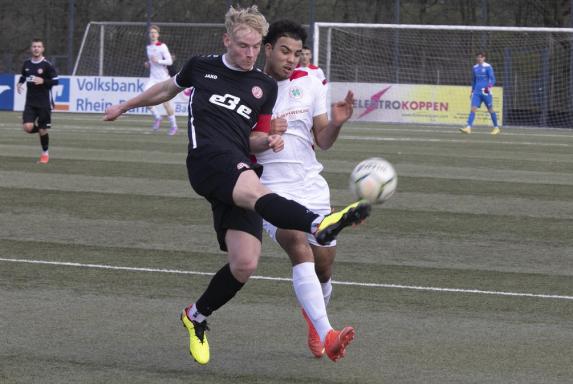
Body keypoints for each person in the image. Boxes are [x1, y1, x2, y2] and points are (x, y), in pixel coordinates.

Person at [103, 5, 370, 365]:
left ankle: (195, 316)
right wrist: (125, 105)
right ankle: (316, 228)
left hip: (246, 170)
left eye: (254, 47)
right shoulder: (201, 66)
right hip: (211, 163)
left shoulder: (262, 87)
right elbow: (166, 88)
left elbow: (257, 138)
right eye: (244, 45)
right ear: (227, 40)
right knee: (273, 209)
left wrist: (270, 139)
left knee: (246, 263)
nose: (249, 54)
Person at [256, 20, 356, 362]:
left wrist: (337, 123)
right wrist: (265, 133)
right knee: (297, 243)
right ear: (267, 49)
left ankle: (314, 321)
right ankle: (328, 333)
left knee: (324, 268)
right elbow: (233, 141)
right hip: (268, 187)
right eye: (285, 51)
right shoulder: (248, 87)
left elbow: (323, 141)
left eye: (297, 54)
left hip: (311, 185)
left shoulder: (311, 82)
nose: (291, 59)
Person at [17, 38, 59, 164]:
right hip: (30, 102)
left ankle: (45, 153)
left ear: (42, 49)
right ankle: (42, 130)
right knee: (27, 128)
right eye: (34, 46)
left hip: (44, 103)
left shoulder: (47, 65)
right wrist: (20, 83)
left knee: (42, 129)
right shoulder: (27, 64)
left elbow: (56, 81)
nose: (36, 48)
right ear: (31, 49)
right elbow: (24, 75)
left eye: (39, 46)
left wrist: (43, 81)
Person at [145, 25, 178, 135]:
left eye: (155, 32)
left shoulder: (162, 46)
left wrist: (158, 60)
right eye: (151, 32)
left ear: (158, 35)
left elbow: (169, 62)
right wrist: (149, 63)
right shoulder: (148, 47)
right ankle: (158, 117)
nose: (153, 34)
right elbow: (152, 62)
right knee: (145, 99)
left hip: (164, 79)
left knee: (166, 103)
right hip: (153, 79)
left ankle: (174, 126)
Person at [460, 51, 500, 135]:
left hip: (486, 92)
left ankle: (496, 127)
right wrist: (472, 91)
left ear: (484, 58)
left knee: (490, 110)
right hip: (477, 92)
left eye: (480, 57)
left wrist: (488, 88)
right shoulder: (474, 67)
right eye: (478, 57)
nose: (479, 58)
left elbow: (493, 80)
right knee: (473, 109)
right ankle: (468, 128)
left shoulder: (488, 66)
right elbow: (474, 80)